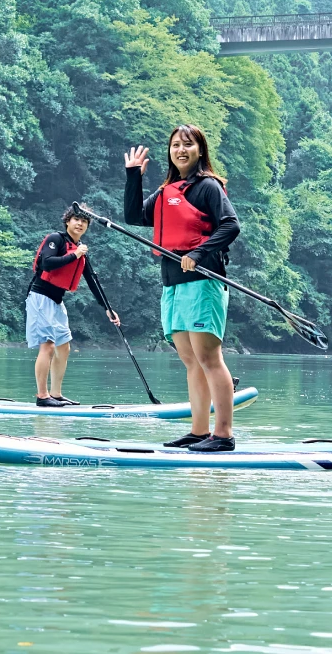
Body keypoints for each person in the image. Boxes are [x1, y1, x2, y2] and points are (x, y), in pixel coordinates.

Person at [123, 125, 241, 451]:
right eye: (175, 145)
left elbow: (231, 224)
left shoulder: (208, 188)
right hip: (172, 286)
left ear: (200, 150)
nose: (181, 150)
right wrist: (134, 175)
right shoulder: (166, 193)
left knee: (208, 358)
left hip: (203, 282)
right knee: (191, 360)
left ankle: (224, 434)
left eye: (188, 145)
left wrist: (199, 252)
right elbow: (133, 215)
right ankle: (199, 430)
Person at [26, 206, 121, 407]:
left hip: (57, 302)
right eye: (76, 219)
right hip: (40, 297)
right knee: (48, 345)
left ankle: (56, 394)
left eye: (84, 221)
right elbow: (47, 263)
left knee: (64, 347)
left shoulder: (80, 250)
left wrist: (107, 308)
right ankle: (42, 396)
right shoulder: (56, 239)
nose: (80, 223)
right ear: (67, 221)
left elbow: (92, 281)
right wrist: (75, 254)